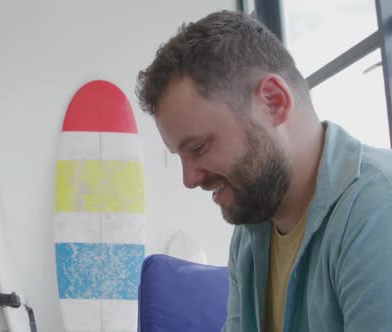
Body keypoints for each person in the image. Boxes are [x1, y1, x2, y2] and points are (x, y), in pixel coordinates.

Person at [136, 10, 392, 332]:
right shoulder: (250, 235)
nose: (189, 179)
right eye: (179, 156)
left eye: (199, 148)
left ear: (273, 101)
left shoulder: (378, 212)